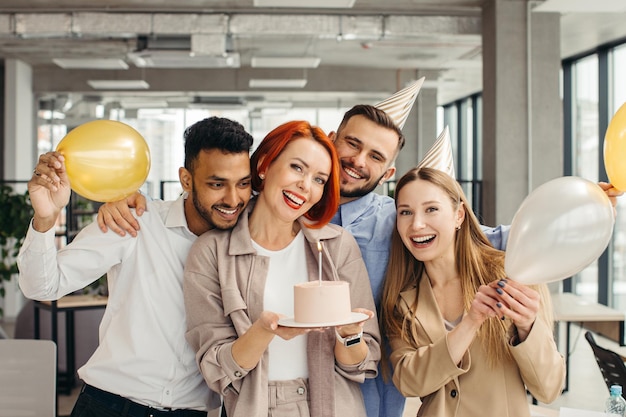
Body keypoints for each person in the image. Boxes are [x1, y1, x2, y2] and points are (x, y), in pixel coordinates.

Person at [17, 116, 255, 417]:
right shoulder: (133, 221)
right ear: (186, 179)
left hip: (190, 412)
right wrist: (46, 219)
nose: (233, 199)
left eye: (243, 184)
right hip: (108, 406)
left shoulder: (250, 240)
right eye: (217, 184)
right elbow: (41, 285)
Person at [183, 120, 381, 417]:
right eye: (297, 168)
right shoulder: (211, 252)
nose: (305, 185)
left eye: (319, 179)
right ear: (264, 165)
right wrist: (263, 331)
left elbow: (360, 364)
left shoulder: (338, 245)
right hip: (258, 407)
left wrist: (349, 335)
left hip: (335, 405)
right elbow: (216, 370)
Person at [379, 167, 566, 417]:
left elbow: (549, 389)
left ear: (459, 216)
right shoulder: (401, 300)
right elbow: (408, 382)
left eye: (431, 209)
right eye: (406, 212)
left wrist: (528, 327)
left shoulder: (508, 274)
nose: (417, 224)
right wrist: (471, 322)